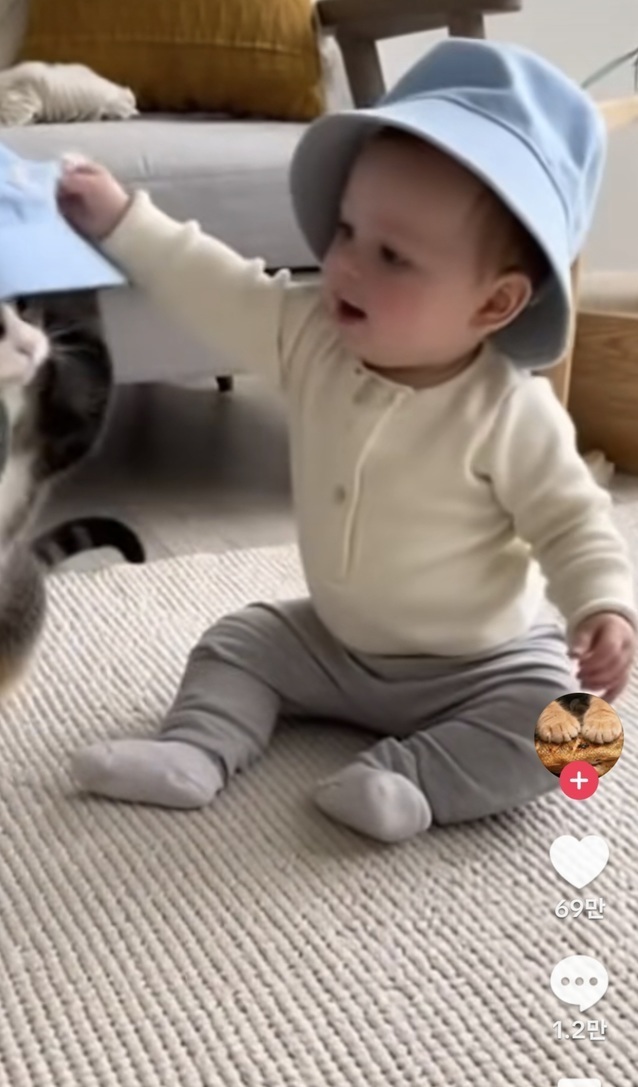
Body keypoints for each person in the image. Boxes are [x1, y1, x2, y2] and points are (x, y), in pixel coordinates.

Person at [57, 39, 635, 843]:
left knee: (576, 735)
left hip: (483, 663)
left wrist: (603, 604)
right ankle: (196, 748)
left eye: (392, 255)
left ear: (494, 303)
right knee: (239, 640)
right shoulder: (309, 334)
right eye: (347, 231)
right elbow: (216, 288)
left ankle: (409, 778)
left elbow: (574, 521)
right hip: (335, 643)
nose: (346, 265)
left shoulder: (510, 410)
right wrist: (125, 221)